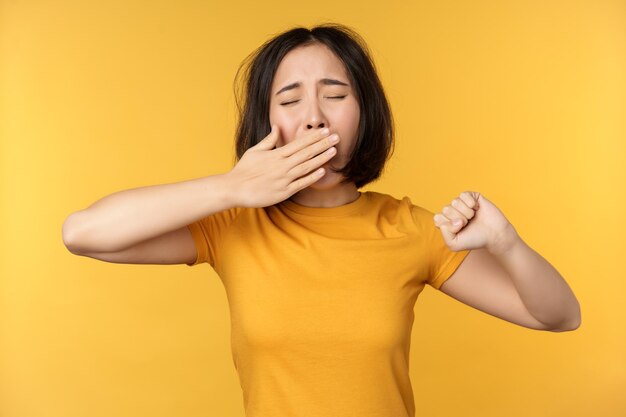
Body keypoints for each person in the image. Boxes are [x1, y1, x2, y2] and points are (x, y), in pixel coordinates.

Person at [62, 23, 581, 417]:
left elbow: (559, 315)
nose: (315, 117)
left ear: (365, 113)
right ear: (268, 122)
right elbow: (82, 233)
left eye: (335, 95)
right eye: (290, 99)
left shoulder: (412, 229)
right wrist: (234, 186)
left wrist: (507, 243)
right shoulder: (233, 224)